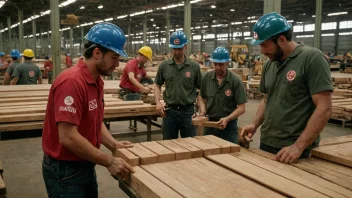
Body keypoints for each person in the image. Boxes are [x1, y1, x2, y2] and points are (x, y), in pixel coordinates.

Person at [41, 22, 135, 198]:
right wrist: (109, 160)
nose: (117, 65)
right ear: (97, 53)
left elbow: (94, 120)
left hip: (85, 163)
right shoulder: (72, 82)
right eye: (114, 57)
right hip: (65, 171)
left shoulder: (96, 80)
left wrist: (113, 145)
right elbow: (68, 136)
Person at [241, 12, 333, 164]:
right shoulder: (270, 64)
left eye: (265, 45)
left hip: (297, 152)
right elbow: (267, 98)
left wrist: (298, 146)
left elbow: (324, 108)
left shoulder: (312, 59)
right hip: (266, 144)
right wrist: (254, 123)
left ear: (282, 40)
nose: (262, 52)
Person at [154, 31, 202, 139]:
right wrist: (157, 102)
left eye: (179, 48)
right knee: (168, 144)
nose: (176, 52)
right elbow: (157, 85)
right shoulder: (164, 66)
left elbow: (201, 89)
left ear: (185, 47)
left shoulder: (194, 67)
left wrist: (200, 108)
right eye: (174, 49)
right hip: (170, 112)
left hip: (188, 112)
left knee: (190, 144)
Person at [198, 47, 247, 143]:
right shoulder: (207, 78)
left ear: (227, 63)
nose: (217, 67)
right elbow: (201, 96)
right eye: (215, 64)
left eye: (221, 64)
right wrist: (203, 110)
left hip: (228, 127)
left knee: (230, 156)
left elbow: (242, 108)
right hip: (210, 125)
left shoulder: (235, 80)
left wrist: (227, 119)